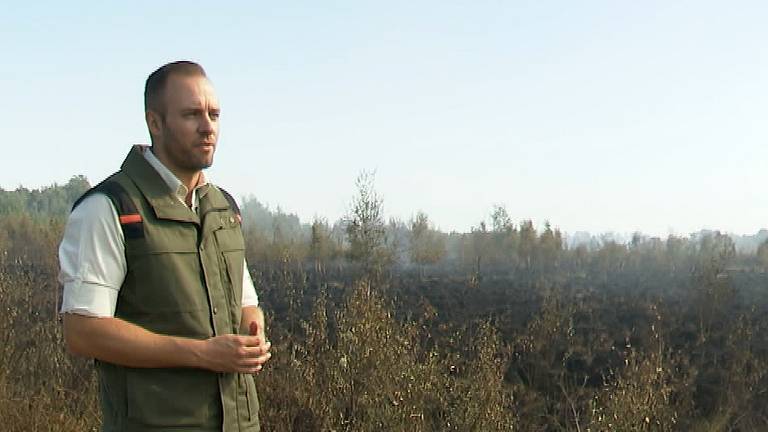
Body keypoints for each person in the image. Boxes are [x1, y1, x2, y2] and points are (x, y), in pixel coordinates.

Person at [59, 61, 271, 432]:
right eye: (192, 114)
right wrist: (203, 354)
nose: (208, 127)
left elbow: (244, 303)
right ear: (155, 123)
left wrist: (253, 331)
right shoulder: (109, 208)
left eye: (214, 114)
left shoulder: (223, 209)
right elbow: (83, 331)